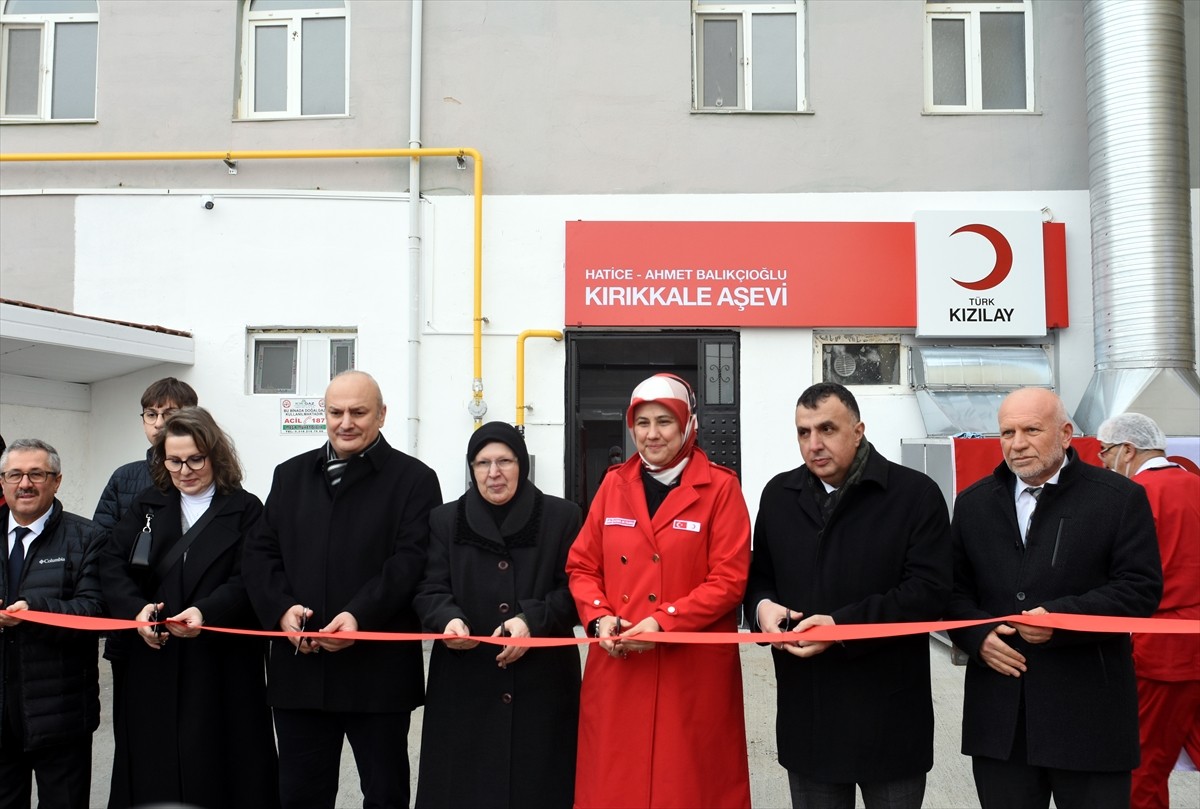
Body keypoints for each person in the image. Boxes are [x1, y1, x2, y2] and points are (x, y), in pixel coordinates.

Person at [947, 387, 1163, 809]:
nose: (1017, 443)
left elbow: (1140, 589)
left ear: (1065, 434)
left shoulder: (1118, 499)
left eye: (1031, 429)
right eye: (1007, 432)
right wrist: (977, 637)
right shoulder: (973, 505)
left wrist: (1061, 618)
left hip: (1089, 720)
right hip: (1001, 721)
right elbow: (951, 591)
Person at [745, 382, 952, 809]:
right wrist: (763, 608)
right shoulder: (779, 496)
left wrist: (841, 627)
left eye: (827, 429)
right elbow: (758, 577)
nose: (814, 444)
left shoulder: (914, 496)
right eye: (803, 432)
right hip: (810, 717)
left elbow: (929, 592)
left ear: (858, 430)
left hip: (890, 720)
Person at [243, 370, 442, 809]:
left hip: (378, 675)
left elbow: (410, 561)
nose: (345, 422)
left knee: (385, 794)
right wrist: (281, 610)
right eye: (336, 412)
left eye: (359, 412)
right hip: (301, 673)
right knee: (299, 795)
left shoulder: (414, 480)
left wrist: (359, 616)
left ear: (382, 415)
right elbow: (259, 554)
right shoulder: (289, 476)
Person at [566, 373, 751, 809]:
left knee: (690, 786)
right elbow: (582, 565)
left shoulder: (721, 488)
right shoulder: (614, 484)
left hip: (692, 671)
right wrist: (598, 617)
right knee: (615, 785)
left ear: (688, 424)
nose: (651, 434)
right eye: (642, 422)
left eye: (665, 421)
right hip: (618, 665)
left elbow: (728, 580)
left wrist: (663, 622)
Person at [98, 407, 279, 809]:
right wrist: (137, 610)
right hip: (153, 660)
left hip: (220, 662)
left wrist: (207, 612)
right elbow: (111, 565)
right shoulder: (148, 504)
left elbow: (252, 577)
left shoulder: (246, 509)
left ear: (216, 455)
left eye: (195, 459)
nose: (185, 470)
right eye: (174, 460)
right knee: (151, 763)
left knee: (221, 765)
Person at [413, 421, 582, 809]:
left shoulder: (563, 517)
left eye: (504, 461)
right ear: (471, 469)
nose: (494, 473)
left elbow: (577, 589)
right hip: (465, 681)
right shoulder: (444, 520)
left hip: (542, 684)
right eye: (482, 463)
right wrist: (447, 618)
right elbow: (429, 587)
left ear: (521, 464)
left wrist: (531, 621)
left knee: (540, 785)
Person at [1097, 412, 1200, 809]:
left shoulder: (1132, 498)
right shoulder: (1194, 485)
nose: (1103, 463)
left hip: (1160, 650)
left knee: (1143, 766)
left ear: (1128, 449)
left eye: (1105, 453)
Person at [0, 439, 106, 809]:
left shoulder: (87, 537)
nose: (24, 483)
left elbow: (96, 612)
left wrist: (33, 611)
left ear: (57, 481)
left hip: (60, 716)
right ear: (2, 482)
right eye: (14, 474)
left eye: (36, 474)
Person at [93, 377, 199, 531]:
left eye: (169, 414)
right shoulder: (123, 477)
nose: (159, 424)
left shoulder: (207, 474)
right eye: (151, 415)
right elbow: (101, 540)